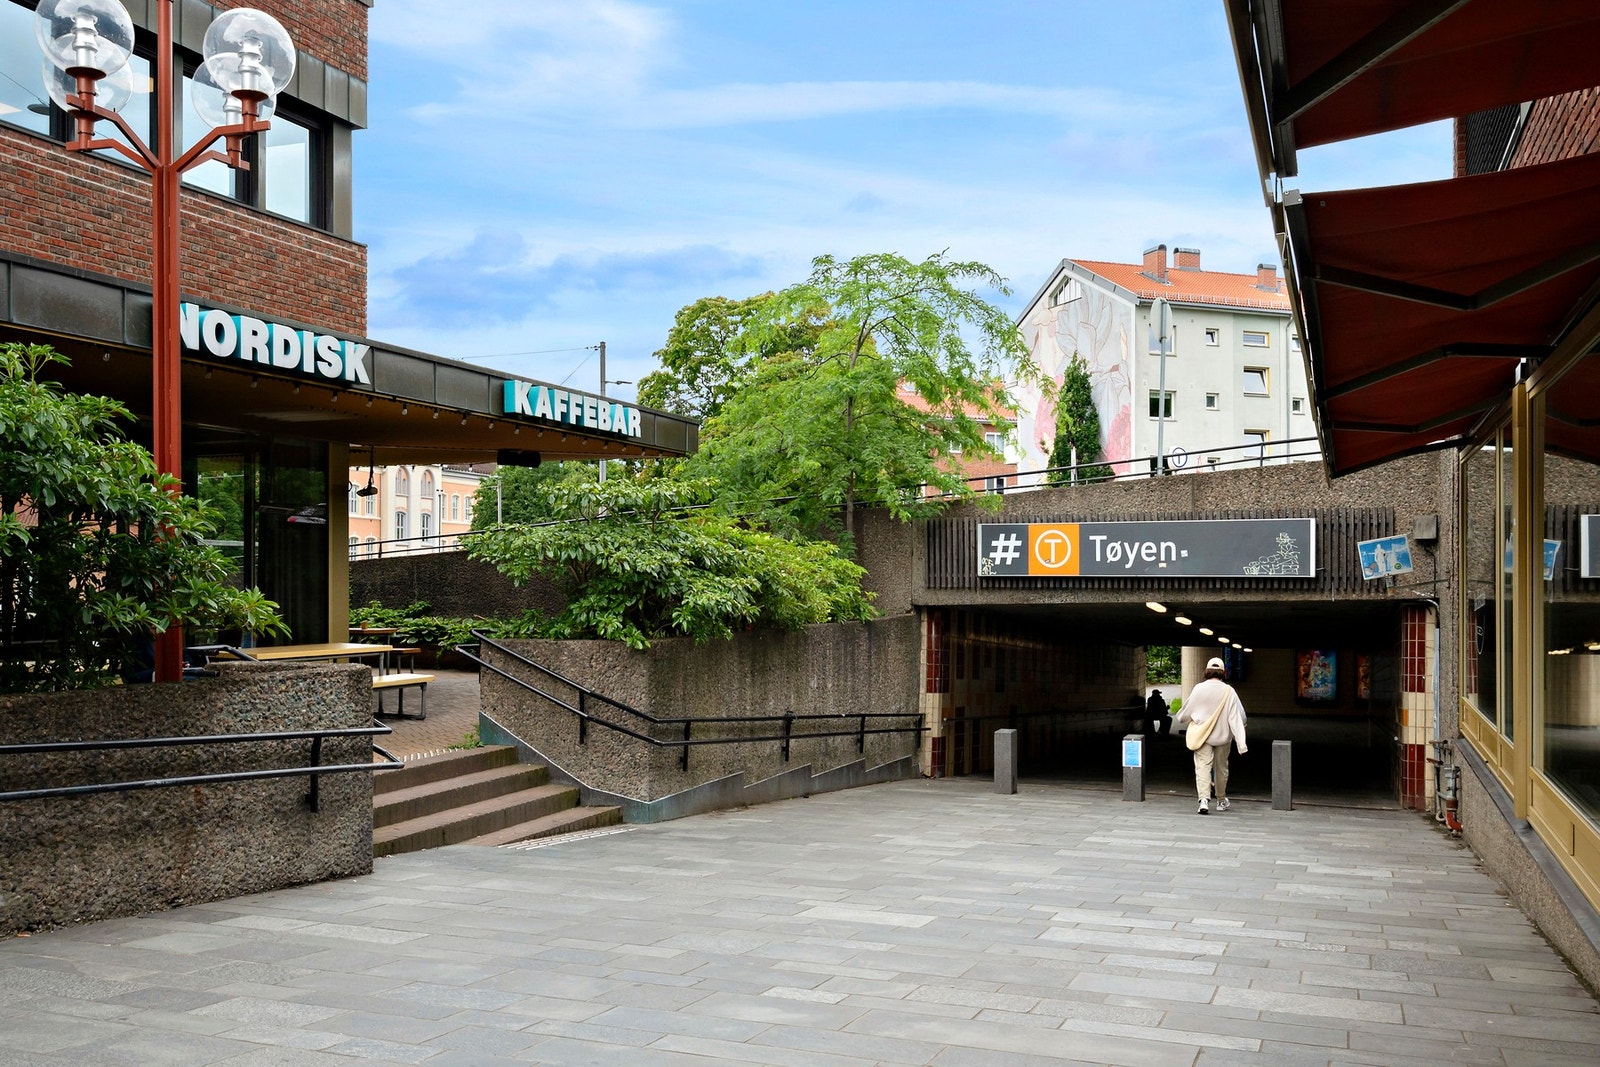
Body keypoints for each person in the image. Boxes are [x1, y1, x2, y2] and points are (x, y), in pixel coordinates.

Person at [1172, 657, 1248, 814]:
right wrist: (1241, 743)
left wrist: (1182, 718)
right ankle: (1221, 800)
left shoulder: (1199, 688)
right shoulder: (1229, 691)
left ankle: (1204, 801)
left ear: (1206, 671)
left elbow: (1185, 713)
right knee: (1221, 769)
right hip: (1223, 737)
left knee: (1202, 767)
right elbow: (1236, 718)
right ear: (1223, 672)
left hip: (1202, 736)